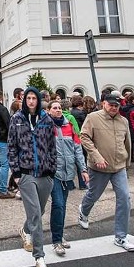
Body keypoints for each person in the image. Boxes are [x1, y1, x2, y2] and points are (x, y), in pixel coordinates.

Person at [78, 93, 134, 253]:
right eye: (111, 105)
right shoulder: (93, 118)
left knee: (124, 198)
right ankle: (84, 210)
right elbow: (84, 137)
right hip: (99, 167)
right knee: (93, 194)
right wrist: (96, 156)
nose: (114, 108)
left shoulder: (123, 120)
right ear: (104, 103)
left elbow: (127, 141)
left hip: (119, 167)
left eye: (116, 106)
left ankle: (121, 236)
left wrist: (127, 161)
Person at [8, 88, 56, 267]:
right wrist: (16, 174)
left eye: (34, 98)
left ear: (38, 100)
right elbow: (11, 146)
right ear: (23, 100)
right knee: (35, 214)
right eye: (28, 98)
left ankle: (25, 229)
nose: (30, 101)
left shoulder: (46, 120)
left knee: (40, 210)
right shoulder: (17, 119)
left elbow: (53, 146)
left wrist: (53, 169)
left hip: (45, 174)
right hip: (26, 174)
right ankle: (40, 258)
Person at [46, 100, 87, 257]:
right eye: (55, 108)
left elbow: (77, 149)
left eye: (60, 108)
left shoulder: (69, 126)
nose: (58, 110)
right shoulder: (47, 127)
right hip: (53, 172)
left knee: (62, 205)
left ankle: (59, 235)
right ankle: (56, 240)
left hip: (68, 172)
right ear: (49, 111)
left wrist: (83, 169)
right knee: (58, 204)